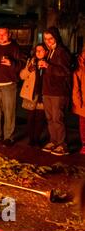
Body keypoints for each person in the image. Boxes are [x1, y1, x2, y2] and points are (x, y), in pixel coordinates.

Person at [0, 27, 25, 146]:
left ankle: (9, 137)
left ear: (9, 34)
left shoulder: (15, 48)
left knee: (9, 112)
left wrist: (12, 63)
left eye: (4, 34)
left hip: (9, 84)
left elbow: (23, 63)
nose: (1, 36)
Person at [40, 27, 72, 156]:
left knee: (57, 118)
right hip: (48, 90)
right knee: (50, 118)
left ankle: (62, 144)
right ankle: (53, 141)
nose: (48, 41)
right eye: (46, 39)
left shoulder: (62, 52)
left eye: (50, 38)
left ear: (56, 37)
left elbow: (65, 71)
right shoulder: (50, 51)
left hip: (58, 92)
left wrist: (48, 66)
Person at [19, 43, 49, 147]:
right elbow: (22, 76)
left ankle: (37, 139)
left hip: (43, 94)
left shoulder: (49, 61)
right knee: (31, 118)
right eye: (37, 50)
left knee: (40, 118)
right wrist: (29, 69)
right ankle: (31, 139)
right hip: (31, 93)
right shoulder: (31, 61)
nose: (38, 52)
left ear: (46, 51)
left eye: (41, 50)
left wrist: (47, 66)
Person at [72, 47, 85, 155]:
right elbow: (76, 88)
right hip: (83, 103)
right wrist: (78, 102)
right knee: (83, 124)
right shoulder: (79, 69)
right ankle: (84, 145)